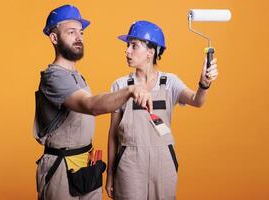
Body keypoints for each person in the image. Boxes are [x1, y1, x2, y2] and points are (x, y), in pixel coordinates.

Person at [33, 6, 153, 200]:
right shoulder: (53, 76)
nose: (79, 37)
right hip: (61, 168)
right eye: (71, 32)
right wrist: (130, 90)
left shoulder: (78, 77)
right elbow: (90, 105)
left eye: (81, 32)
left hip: (86, 163)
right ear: (54, 38)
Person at [105, 20, 218, 200]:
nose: (127, 51)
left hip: (163, 161)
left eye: (134, 46)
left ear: (151, 52)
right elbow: (113, 134)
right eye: (128, 45)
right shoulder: (120, 86)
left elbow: (197, 101)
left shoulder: (170, 82)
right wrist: (110, 174)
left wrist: (204, 84)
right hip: (129, 162)